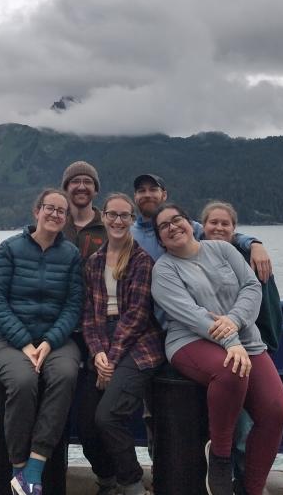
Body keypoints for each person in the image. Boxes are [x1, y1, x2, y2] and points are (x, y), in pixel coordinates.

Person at [150, 203, 283, 495]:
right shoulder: (163, 270)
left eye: (177, 220)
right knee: (231, 372)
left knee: (275, 411)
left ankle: (251, 489)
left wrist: (234, 323)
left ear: (191, 225)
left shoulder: (223, 251)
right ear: (160, 239)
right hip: (189, 341)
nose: (173, 227)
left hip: (244, 339)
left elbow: (251, 287)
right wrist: (231, 342)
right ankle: (220, 457)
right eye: (164, 226)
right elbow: (192, 315)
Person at [0, 188, 84, 495]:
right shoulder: (11, 249)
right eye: (49, 208)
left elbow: (73, 305)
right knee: (24, 380)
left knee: (66, 374)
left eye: (61, 211)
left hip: (56, 341)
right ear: (36, 211)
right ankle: (17, 468)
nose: (54, 214)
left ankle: (35, 466)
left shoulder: (71, 254)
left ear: (66, 218)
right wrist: (25, 342)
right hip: (7, 341)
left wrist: (51, 341)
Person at [77, 193, 164, 495]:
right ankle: (106, 478)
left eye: (124, 216)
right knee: (86, 423)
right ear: (103, 217)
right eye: (112, 214)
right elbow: (88, 315)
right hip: (101, 342)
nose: (117, 220)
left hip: (138, 345)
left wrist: (110, 359)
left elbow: (138, 315)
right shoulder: (92, 263)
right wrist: (98, 352)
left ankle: (131, 483)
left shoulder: (141, 260)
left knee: (108, 416)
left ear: (130, 220)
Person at [201, 201, 283, 495]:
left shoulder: (250, 257)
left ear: (235, 230)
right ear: (203, 226)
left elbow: (269, 305)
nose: (219, 228)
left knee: (252, 425)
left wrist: (268, 345)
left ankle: (249, 487)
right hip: (208, 352)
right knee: (226, 427)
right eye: (213, 223)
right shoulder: (191, 255)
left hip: (248, 350)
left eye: (225, 224)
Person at [130, 174, 273, 283]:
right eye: (141, 191)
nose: (147, 195)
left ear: (164, 195)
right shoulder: (128, 234)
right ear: (135, 196)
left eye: (153, 190)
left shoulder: (184, 228)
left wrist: (254, 244)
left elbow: (220, 233)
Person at [61, 161, 106, 259]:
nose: (81, 187)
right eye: (75, 181)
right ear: (66, 189)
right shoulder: (56, 224)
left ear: (95, 190)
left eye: (88, 182)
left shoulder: (108, 226)